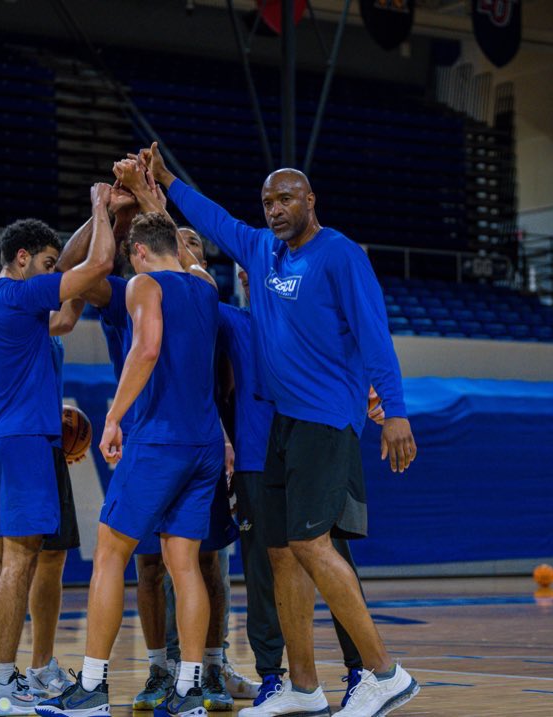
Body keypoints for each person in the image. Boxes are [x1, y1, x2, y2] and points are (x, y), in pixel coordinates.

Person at [143, 143, 420, 717]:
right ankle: (302, 685)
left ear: (310, 200)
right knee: (281, 554)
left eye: (286, 197)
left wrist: (394, 410)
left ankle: (384, 674)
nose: (275, 208)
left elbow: (374, 334)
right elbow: (215, 220)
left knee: (312, 545)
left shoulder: (340, 255)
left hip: (326, 420)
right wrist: (168, 180)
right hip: (283, 427)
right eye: (267, 200)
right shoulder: (263, 252)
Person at [37, 211, 224, 717]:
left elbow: (146, 348)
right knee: (184, 566)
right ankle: (190, 692)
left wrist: (114, 416)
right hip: (205, 443)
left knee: (110, 553)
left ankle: (93, 686)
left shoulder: (143, 285)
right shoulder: (206, 286)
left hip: (159, 438)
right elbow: (186, 266)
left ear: (138, 253)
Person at [0, 184, 116, 716]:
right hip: (23, 443)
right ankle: (2, 683)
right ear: (22, 261)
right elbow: (96, 267)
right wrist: (100, 211)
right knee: (22, 558)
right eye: (44, 264)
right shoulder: (22, 296)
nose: (50, 273)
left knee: (1, 559)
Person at [218, 270, 386, 708]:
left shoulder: (314, 325)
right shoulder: (237, 322)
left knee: (332, 559)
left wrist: (378, 394)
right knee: (265, 569)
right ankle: (276, 676)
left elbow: (361, 353)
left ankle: (363, 671)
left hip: (317, 452)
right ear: (242, 278)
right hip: (259, 461)